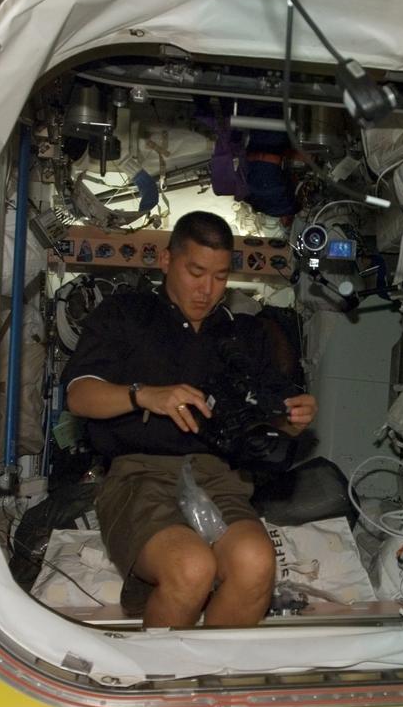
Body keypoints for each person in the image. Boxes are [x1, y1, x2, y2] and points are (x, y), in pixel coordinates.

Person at [62, 211, 317, 628]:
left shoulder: (243, 334)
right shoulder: (125, 315)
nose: (207, 289)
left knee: (256, 563)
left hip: (218, 477)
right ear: (166, 261)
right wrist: (143, 394)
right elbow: (79, 395)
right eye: (196, 272)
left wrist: (295, 417)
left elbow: (272, 425)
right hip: (138, 475)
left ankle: (216, 683)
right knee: (192, 568)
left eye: (219, 276)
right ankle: (156, 686)